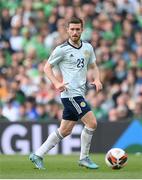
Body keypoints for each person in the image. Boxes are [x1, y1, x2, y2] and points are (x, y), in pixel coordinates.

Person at [29, 17, 102, 170]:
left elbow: (93, 65)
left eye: (78, 29)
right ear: (67, 30)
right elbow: (46, 68)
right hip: (70, 94)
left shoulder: (88, 47)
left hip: (79, 93)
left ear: (82, 30)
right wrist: (56, 83)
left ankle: (38, 155)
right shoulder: (61, 49)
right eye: (72, 29)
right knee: (92, 123)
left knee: (65, 130)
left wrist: (97, 79)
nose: (75, 32)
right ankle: (84, 158)